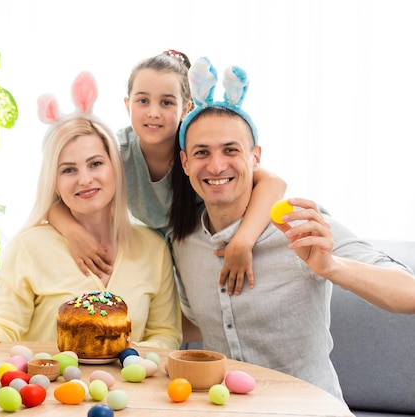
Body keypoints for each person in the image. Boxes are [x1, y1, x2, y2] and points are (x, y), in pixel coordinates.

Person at [169, 56, 415, 400]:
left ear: (255, 157)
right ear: (184, 162)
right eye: (201, 153)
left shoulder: (303, 226)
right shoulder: (182, 242)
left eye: (230, 150)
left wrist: (332, 267)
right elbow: (199, 321)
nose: (216, 165)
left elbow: (409, 294)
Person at [0, 72, 182, 350]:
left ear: (115, 166)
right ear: (53, 181)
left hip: (129, 393)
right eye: (69, 170)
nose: (85, 179)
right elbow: (5, 327)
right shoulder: (27, 247)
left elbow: (166, 334)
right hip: (49, 390)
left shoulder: (153, 248)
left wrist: (133, 353)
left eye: (96, 164)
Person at [48, 50, 287, 299]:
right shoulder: (115, 151)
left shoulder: (198, 151)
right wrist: (74, 234)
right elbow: (53, 201)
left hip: (201, 253)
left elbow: (274, 183)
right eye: (143, 101)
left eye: (166, 102)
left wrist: (243, 240)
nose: (153, 112)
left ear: (187, 108)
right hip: (151, 261)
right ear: (127, 105)